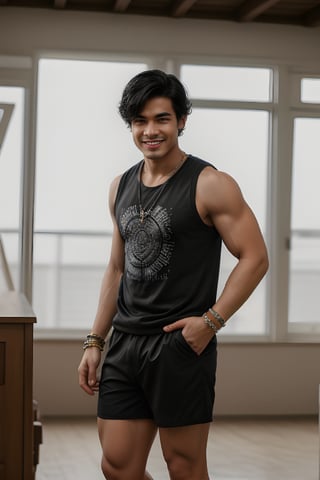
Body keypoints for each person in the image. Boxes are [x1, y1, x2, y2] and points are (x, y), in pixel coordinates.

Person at [78, 69, 269, 480]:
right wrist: (95, 340)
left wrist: (210, 323)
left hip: (179, 345)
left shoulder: (210, 184)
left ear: (181, 121)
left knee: (183, 466)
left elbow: (255, 257)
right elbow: (116, 268)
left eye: (162, 119)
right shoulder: (120, 187)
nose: (151, 130)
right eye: (140, 121)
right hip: (125, 344)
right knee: (117, 467)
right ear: (130, 125)